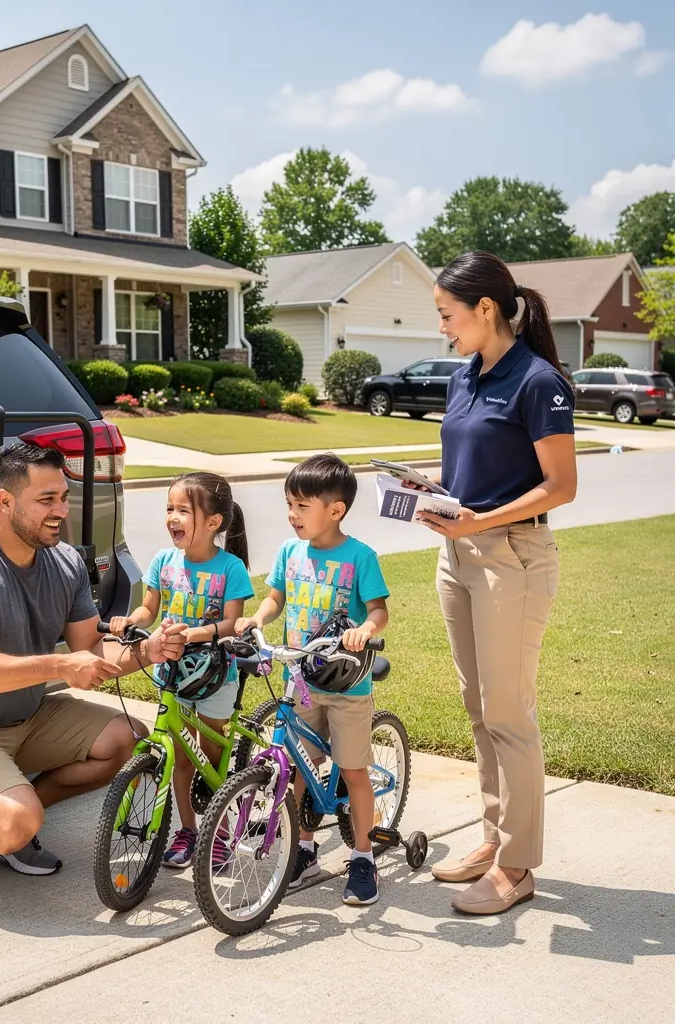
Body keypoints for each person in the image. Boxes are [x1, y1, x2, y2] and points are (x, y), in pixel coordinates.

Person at [0, 442, 187, 893]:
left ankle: (21, 819)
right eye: (46, 500)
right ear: (5, 502)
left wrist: (149, 651)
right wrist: (58, 664)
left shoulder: (65, 562)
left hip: (25, 717)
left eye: (63, 497)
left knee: (126, 740)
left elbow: (89, 648)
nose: (60, 511)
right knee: (12, 822)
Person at [412, 250, 577, 916]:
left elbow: (561, 487)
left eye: (447, 316)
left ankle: (518, 865)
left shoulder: (538, 382)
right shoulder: (463, 377)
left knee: (509, 714)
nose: (443, 329)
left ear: (486, 309)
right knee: (480, 709)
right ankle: (492, 838)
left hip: (513, 555)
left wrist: (482, 519)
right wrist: (433, 495)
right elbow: (473, 466)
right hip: (459, 553)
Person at [237, 454, 389, 905]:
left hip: (346, 687)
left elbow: (379, 609)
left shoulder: (360, 557)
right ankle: (304, 847)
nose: (292, 514)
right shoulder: (290, 551)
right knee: (297, 770)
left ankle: (364, 857)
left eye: (302, 506)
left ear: (335, 510)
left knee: (355, 771)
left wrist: (366, 629)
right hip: (299, 680)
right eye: (290, 504)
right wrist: (257, 618)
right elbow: (276, 597)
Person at [110, 471, 254, 869]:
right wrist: (130, 620)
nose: (172, 517)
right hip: (172, 673)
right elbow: (149, 608)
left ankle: (220, 831)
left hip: (214, 676)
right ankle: (188, 830)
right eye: (169, 509)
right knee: (180, 754)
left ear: (213, 522)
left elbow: (230, 623)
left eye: (183, 510)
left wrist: (197, 633)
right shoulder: (163, 560)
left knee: (211, 754)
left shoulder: (230, 568)